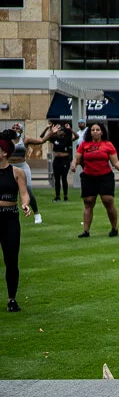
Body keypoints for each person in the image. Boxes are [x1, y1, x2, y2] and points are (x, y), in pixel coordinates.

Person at [72, 122, 119, 237]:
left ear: (102, 132)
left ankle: (114, 228)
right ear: (90, 132)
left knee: (108, 201)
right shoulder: (84, 144)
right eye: (93, 130)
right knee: (88, 202)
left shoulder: (108, 145)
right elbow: (77, 157)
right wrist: (74, 164)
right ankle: (86, 231)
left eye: (97, 130)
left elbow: (115, 161)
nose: (95, 132)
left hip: (105, 176)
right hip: (88, 176)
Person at [0, 130, 32, 312]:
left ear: (4, 152)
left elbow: (24, 194)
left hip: (10, 218)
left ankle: (11, 299)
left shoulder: (17, 172)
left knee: (11, 261)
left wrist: (25, 204)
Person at [8, 122, 55, 225]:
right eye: (13, 128)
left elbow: (41, 141)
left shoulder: (25, 140)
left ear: (21, 131)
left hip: (23, 167)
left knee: (28, 189)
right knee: (7, 190)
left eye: (17, 128)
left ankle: (37, 214)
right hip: (10, 167)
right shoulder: (6, 140)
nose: (15, 130)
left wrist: (51, 132)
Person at [48, 122, 76, 203]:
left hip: (65, 160)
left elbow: (76, 136)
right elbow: (45, 137)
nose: (60, 132)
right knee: (57, 179)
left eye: (61, 131)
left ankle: (65, 196)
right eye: (59, 130)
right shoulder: (55, 139)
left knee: (64, 178)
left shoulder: (67, 139)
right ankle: (57, 196)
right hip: (57, 159)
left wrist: (70, 129)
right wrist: (51, 130)